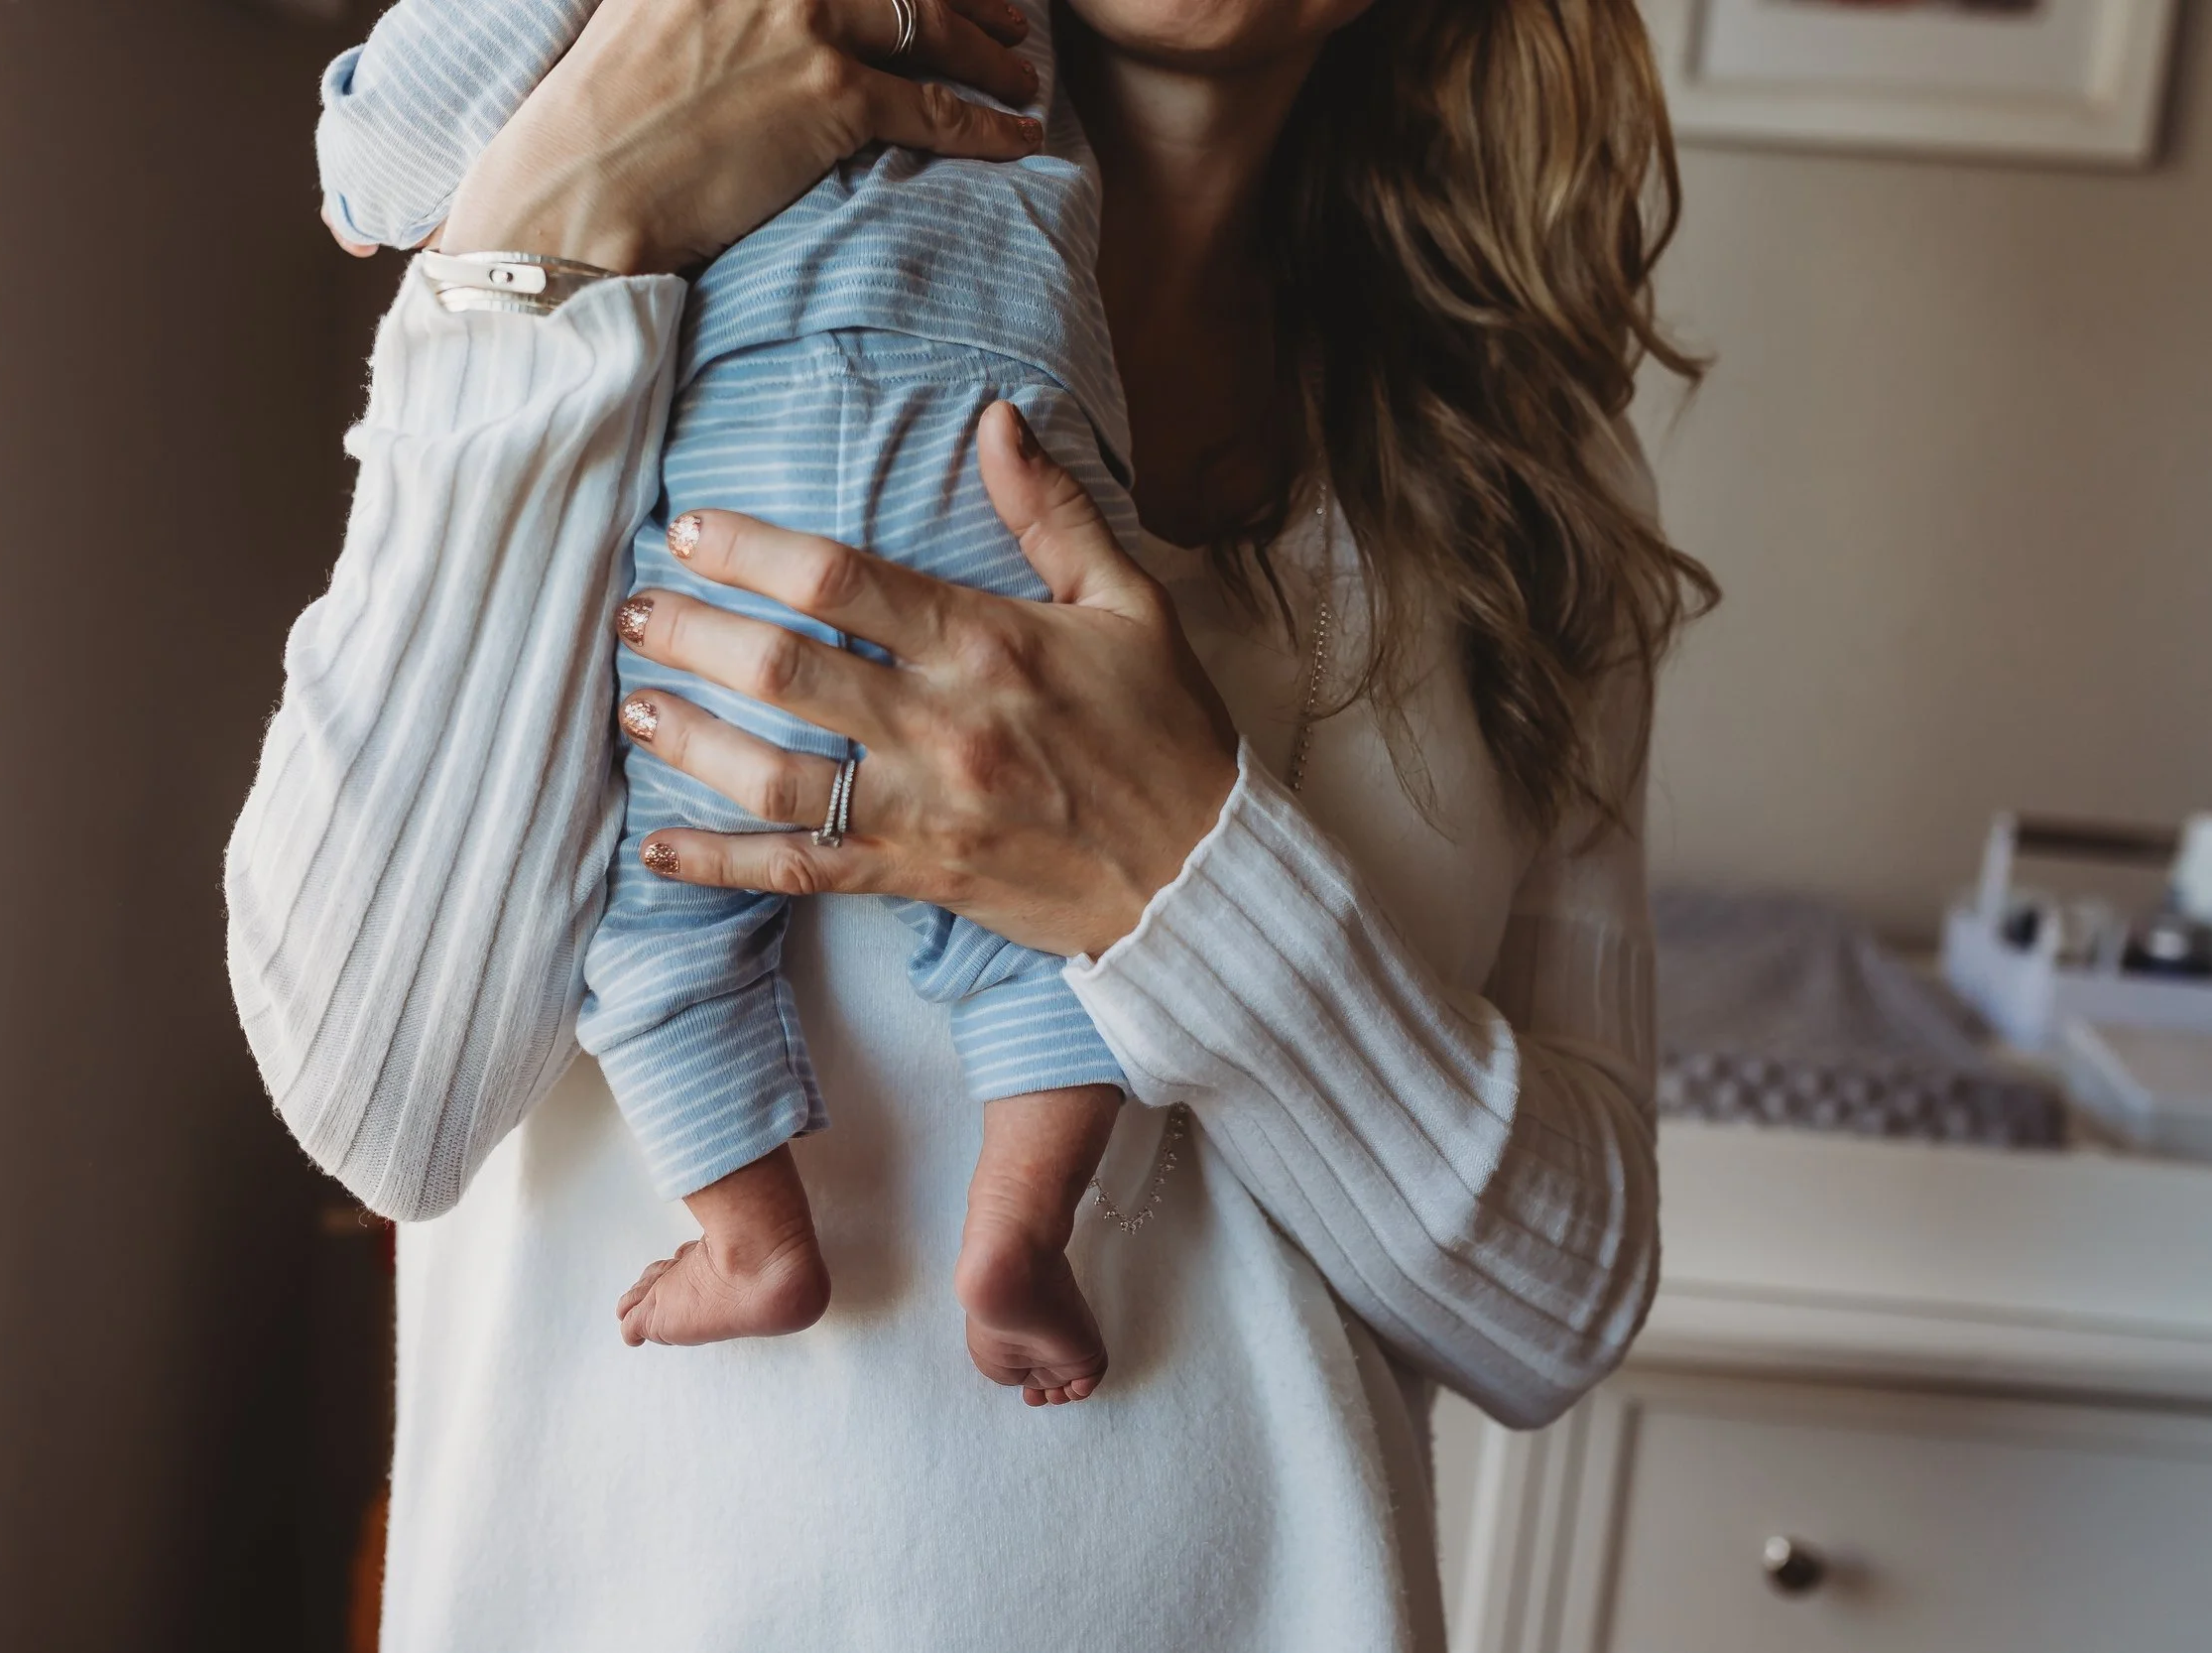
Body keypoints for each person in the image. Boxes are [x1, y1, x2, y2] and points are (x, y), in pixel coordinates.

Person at [222, 0, 1712, 1644]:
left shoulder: (1523, 469)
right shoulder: (635, 237)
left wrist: (1187, 875)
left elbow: (1560, 1309)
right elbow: (386, 1102)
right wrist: (559, 209)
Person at [312, 0, 1142, 1401]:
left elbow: (394, 158)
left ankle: (757, 1243)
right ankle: (1019, 1226)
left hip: (761, 438)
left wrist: (355, 144)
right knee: (1052, 888)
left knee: (660, 912)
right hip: (1009, 432)